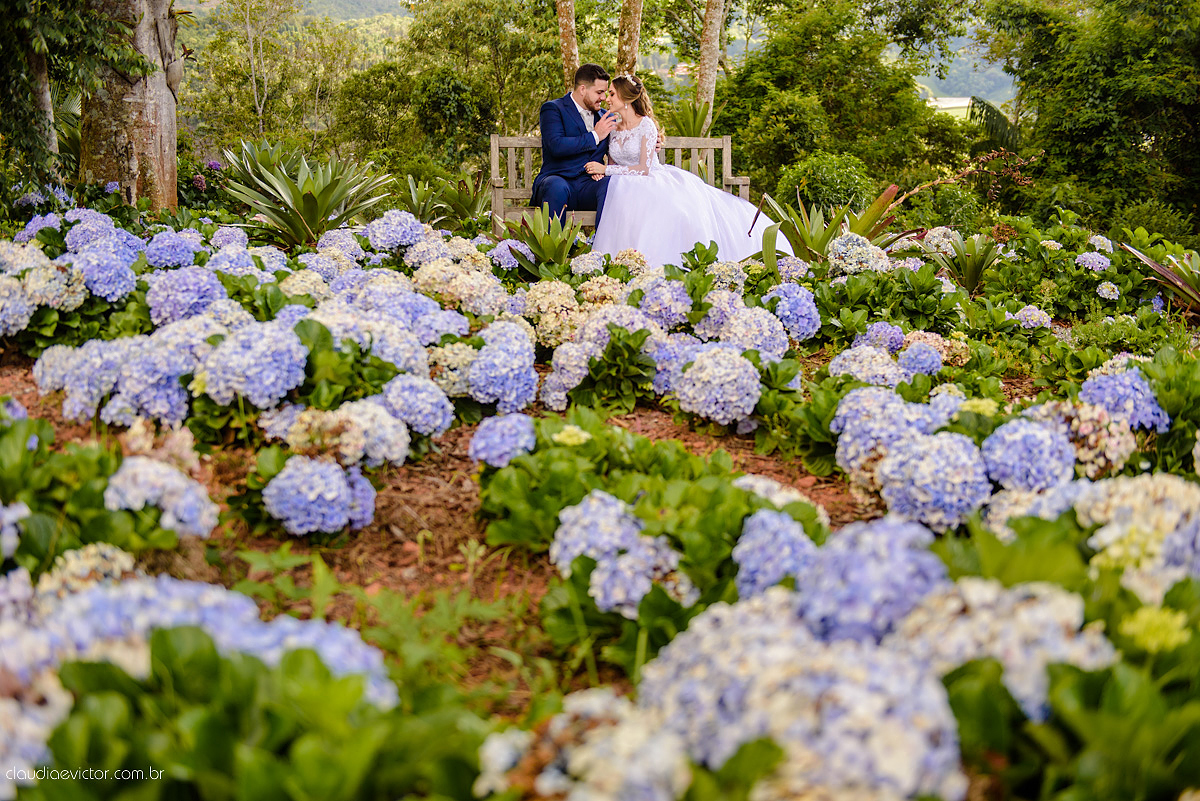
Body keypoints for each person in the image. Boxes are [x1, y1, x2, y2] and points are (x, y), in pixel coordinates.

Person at [586, 74, 791, 268]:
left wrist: (606, 169)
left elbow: (643, 168)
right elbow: (614, 162)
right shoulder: (613, 125)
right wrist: (604, 171)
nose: (607, 99)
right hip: (622, 183)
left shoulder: (646, 125)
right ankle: (623, 262)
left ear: (626, 98)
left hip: (649, 178)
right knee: (622, 202)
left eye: (612, 94)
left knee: (673, 210)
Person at [530, 64, 618, 227]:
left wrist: (650, 142)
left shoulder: (605, 117)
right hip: (558, 180)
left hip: (589, 186)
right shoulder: (553, 109)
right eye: (599, 92)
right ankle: (554, 251)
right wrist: (595, 136)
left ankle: (602, 249)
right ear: (583, 89)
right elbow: (556, 146)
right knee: (556, 186)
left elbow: (623, 142)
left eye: (605, 92)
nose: (604, 97)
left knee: (611, 185)